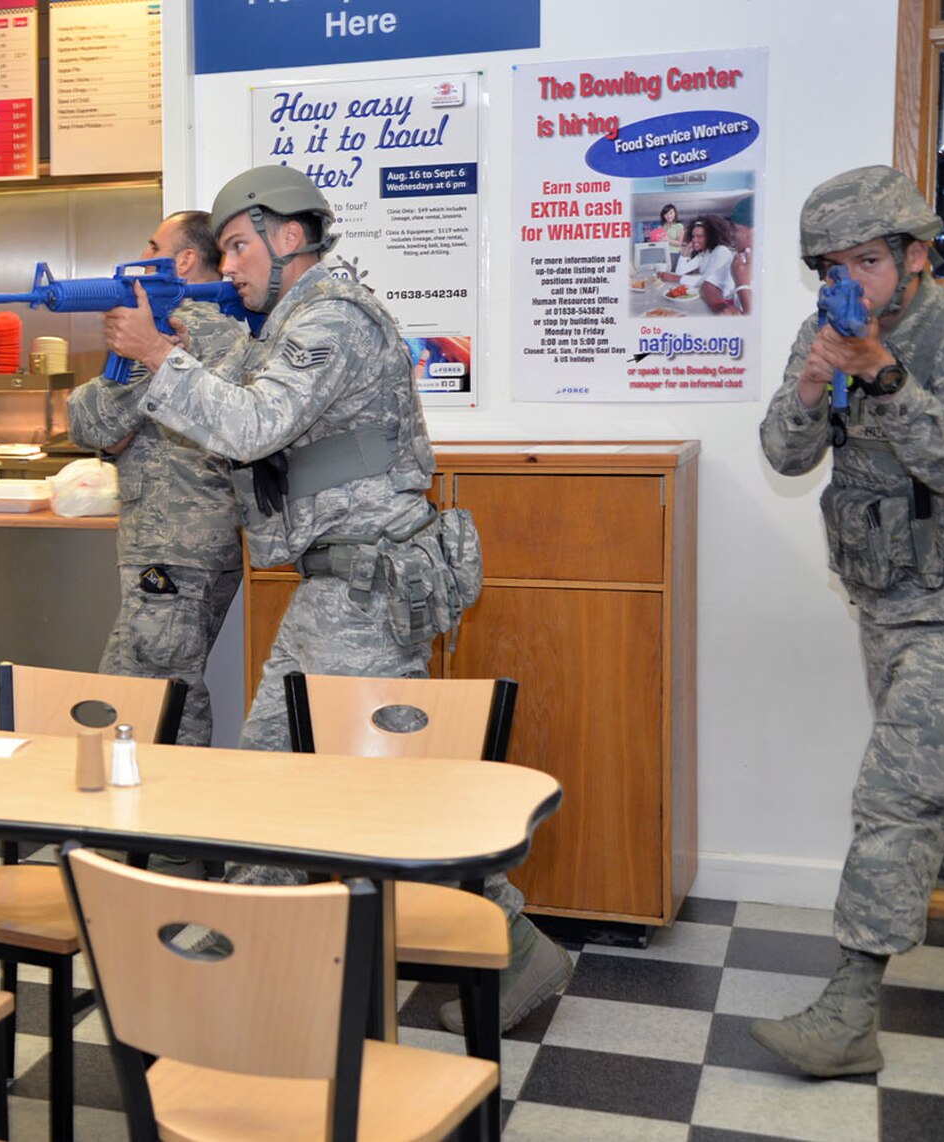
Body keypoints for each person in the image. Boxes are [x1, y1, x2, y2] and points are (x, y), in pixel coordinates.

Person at [101, 164, 572, 1032]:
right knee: (282, 773)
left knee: (383, 792)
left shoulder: (331, 319)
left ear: (289, 237)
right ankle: (243, 943)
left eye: (239, 245)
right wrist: (191, 337)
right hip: (335, 584)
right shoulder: (291, 325)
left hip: (365, 587)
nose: (229, 263)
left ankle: (508, 941)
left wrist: (161, 356)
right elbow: (255, 407)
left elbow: (251, 427)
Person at [754, 165, 944, 1077]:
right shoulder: (829, 331)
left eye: (871, 260)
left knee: (898, 797)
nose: (854, 281)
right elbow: (782, 452)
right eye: (835, 265)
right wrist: (811, 386)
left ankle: (848, 1012)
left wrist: (883, 375)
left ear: (917, 255)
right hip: (885, 603)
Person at [66, 210, 249, 748]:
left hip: (170, 544)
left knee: (154, 700)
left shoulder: (172, 326)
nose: (141, 255)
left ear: (184, 259)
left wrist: (127, 356)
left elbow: (95, 424)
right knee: (163, 690)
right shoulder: (231, 323)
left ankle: (161, 822)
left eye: (153, 245)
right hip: (206, 541)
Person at [705, 197, 754, 315]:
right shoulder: (740, 258)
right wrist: (720, 306)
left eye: (735, 229)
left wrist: (743, 286)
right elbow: (708, 285)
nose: (731, 234)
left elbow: (763, 326)